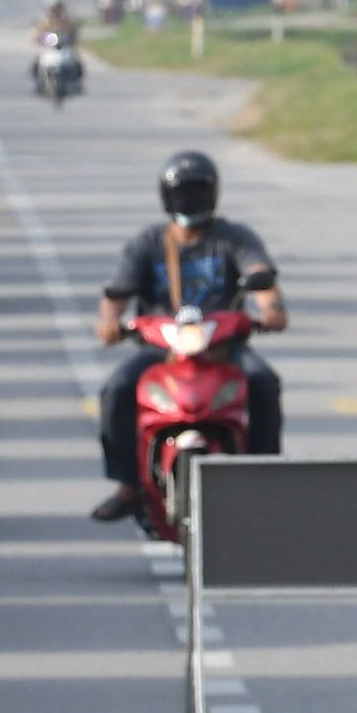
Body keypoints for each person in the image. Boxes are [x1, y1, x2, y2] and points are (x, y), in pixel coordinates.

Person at [91, 150, 285, 522]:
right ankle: (127, 485)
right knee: (116, 389)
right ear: (166, 196)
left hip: (222, 349)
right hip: (161, 351)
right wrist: (110, 322)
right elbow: (116, 292)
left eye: (197, 190)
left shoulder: (234, 238)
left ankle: (263, 478)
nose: (189, 199)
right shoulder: (148, 243)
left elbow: (261, 276)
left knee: (263, 381)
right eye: (182, 191)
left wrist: (272, 309)